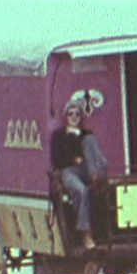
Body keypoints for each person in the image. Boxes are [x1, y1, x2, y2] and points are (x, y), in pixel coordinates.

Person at [50, 100, 108, 249]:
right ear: (66, 116)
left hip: (87, 170)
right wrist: (74, 159)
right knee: (81, 191)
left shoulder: (86, 135)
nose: (74, 117)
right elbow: (57, 160)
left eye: (77, 114)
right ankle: (86, 234)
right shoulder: (59, 136)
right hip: (68, 171)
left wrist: (80, 138)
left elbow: (92, 154)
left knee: (90, 141)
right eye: (71, 114)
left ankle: (97, 177)